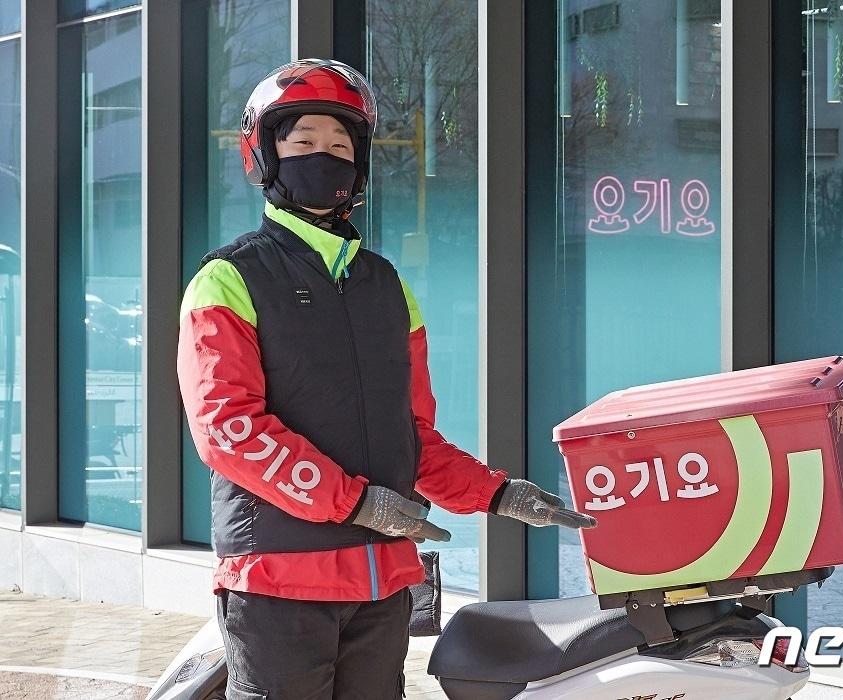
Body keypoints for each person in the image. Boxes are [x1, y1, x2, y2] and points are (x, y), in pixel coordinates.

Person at [176, 59, 596, 700]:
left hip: (382, 582)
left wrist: (497, 493)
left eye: (341, 144)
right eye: (304, 142)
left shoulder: (387, 286)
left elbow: (410, 435)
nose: (325, 156)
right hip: (279, 580)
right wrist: (355, 500)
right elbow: (228, 430)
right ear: (264, 155)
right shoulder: (228, 279)